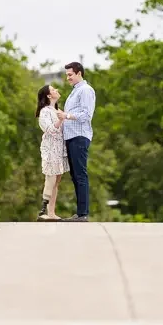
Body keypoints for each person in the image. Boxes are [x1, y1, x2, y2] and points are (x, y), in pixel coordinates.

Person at [57, 61, 96, 222]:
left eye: (70, 75)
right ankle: (80, 213)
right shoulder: (74, 92)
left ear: (79, 73)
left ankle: (83, 214)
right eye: (67, 75)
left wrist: (67, 115)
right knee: (75, 175)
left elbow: (87, 115)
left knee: (80, 175)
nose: (68, 78)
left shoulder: (86, 90)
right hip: (71, 137)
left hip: (79, 136)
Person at [35, 84, 68, 221]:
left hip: (60, 150)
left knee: (56, 181)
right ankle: (43, 211)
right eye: (53, 90)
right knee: (51, 178)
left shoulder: (57, 110)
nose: (57, 91)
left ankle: (51, 213)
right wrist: (61, 120)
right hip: (50, 149)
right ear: (49, 95)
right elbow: (50, 130)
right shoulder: (45, 112)